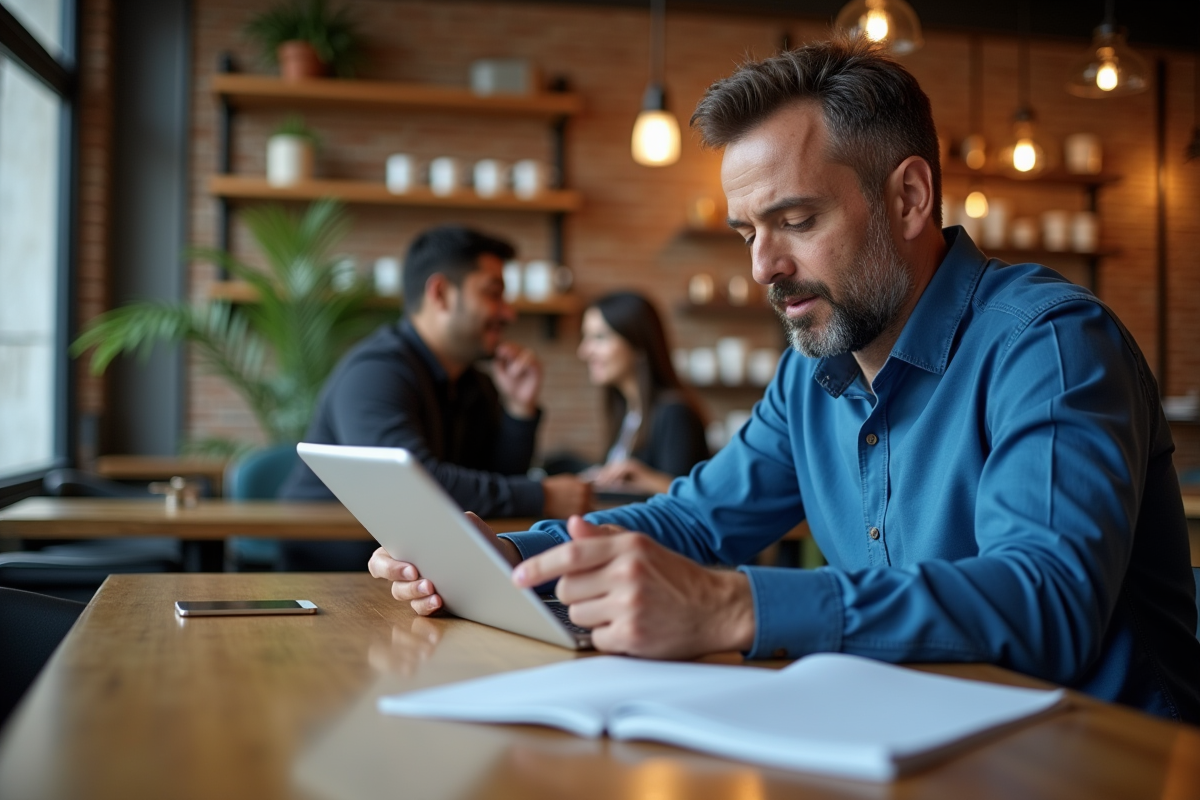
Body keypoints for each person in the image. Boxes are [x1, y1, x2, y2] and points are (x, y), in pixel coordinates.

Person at [370, 39, 1200, 723]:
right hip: (913, 743)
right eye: (746, 231)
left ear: (909, 197)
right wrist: (506, 558)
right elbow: (692, 523)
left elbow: (1047, 601)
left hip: (1102, 761)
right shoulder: (813, 374)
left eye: (797, 221)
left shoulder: (1048, 343)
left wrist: (737, 608)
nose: (764, 266)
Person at [280, 225, 590, 570]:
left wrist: (519, 409)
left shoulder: (474, 383)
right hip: (330, 577)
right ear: (440, 293)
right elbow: (407, 488)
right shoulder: (375, 373)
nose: (508, 313)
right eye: (493, 293)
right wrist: (542, 495)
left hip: (419, 573)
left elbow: (495, 485)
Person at [575, 291, 709, 495]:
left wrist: (643, 477)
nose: (584, 351)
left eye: (599, 337)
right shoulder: (627, 412)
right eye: (586, 337)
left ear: (638, 343)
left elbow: (691, 499)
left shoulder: (675, 414)